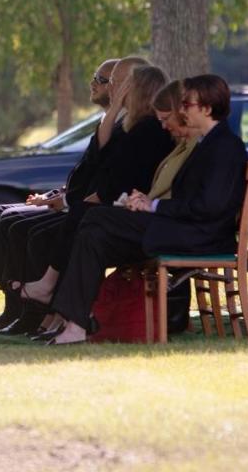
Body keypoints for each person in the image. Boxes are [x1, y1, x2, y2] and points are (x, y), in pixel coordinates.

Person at [47, 74, 248, 345]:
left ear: (207, 108)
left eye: (187, 104)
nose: (182, 109)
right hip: (183, 228)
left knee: (95, 217)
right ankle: (75, 323)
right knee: (94, 233)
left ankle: (71, 318)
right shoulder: (205, 143)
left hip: (200, 236)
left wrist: (153, 206)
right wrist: (148, 205)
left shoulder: (225, 146)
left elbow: (208, 207)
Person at [16, 63, 173, 325]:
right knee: (52, 224)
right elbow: (97, 155)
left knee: (79, 221)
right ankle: (51, 310)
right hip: (112, 202)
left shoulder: (150, 128)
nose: (117, 91)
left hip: (131, 210)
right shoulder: (129, 124)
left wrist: (98, 197)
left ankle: (57, 305)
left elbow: (126, 175)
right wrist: (112, 111)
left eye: (124, 87)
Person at [0, 58, 119, 332]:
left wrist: (66, 200)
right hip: (75, 201)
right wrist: (59, 194)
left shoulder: (119, 125)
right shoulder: (105, 120)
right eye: (94, 76)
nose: (92, 83)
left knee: (20, 226)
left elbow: (105, 182)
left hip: (89, 208)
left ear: (119, 87)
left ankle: (32, 312)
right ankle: (12, 305)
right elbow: (86, 175)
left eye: (101, 80)